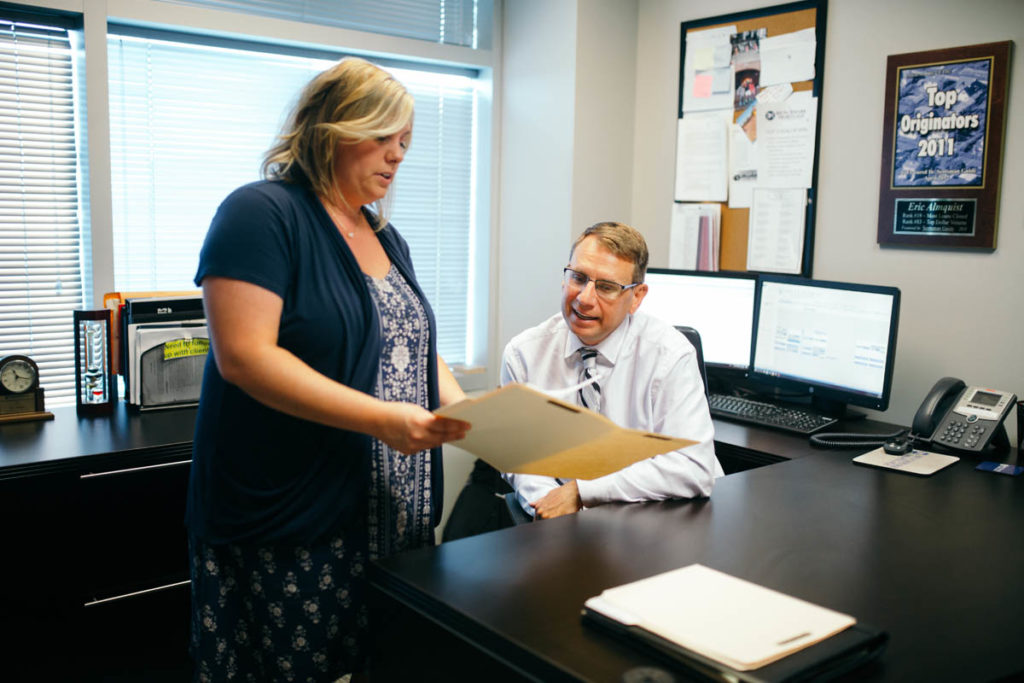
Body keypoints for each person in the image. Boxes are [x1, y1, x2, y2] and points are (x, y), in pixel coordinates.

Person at [186, 57, 470, 682]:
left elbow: (411, 342)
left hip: (391, 516)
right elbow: (245, 356)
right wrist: (382, 420)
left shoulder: (386, 236)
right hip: (294, 518)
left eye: (406, 143)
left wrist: (470, 413)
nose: (397, 157)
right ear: (332, 128)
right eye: (383, 137)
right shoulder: (261, 213)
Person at [446, 221, 720, 532]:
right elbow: (520, 456)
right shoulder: (524, 354)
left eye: (606, 287)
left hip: (662, 520)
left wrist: (582, 492)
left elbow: (694, 467)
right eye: (578, 278)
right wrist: (548, 503)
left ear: (637, 297)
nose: (585, 298)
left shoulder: (669, 356)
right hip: (564, 524)